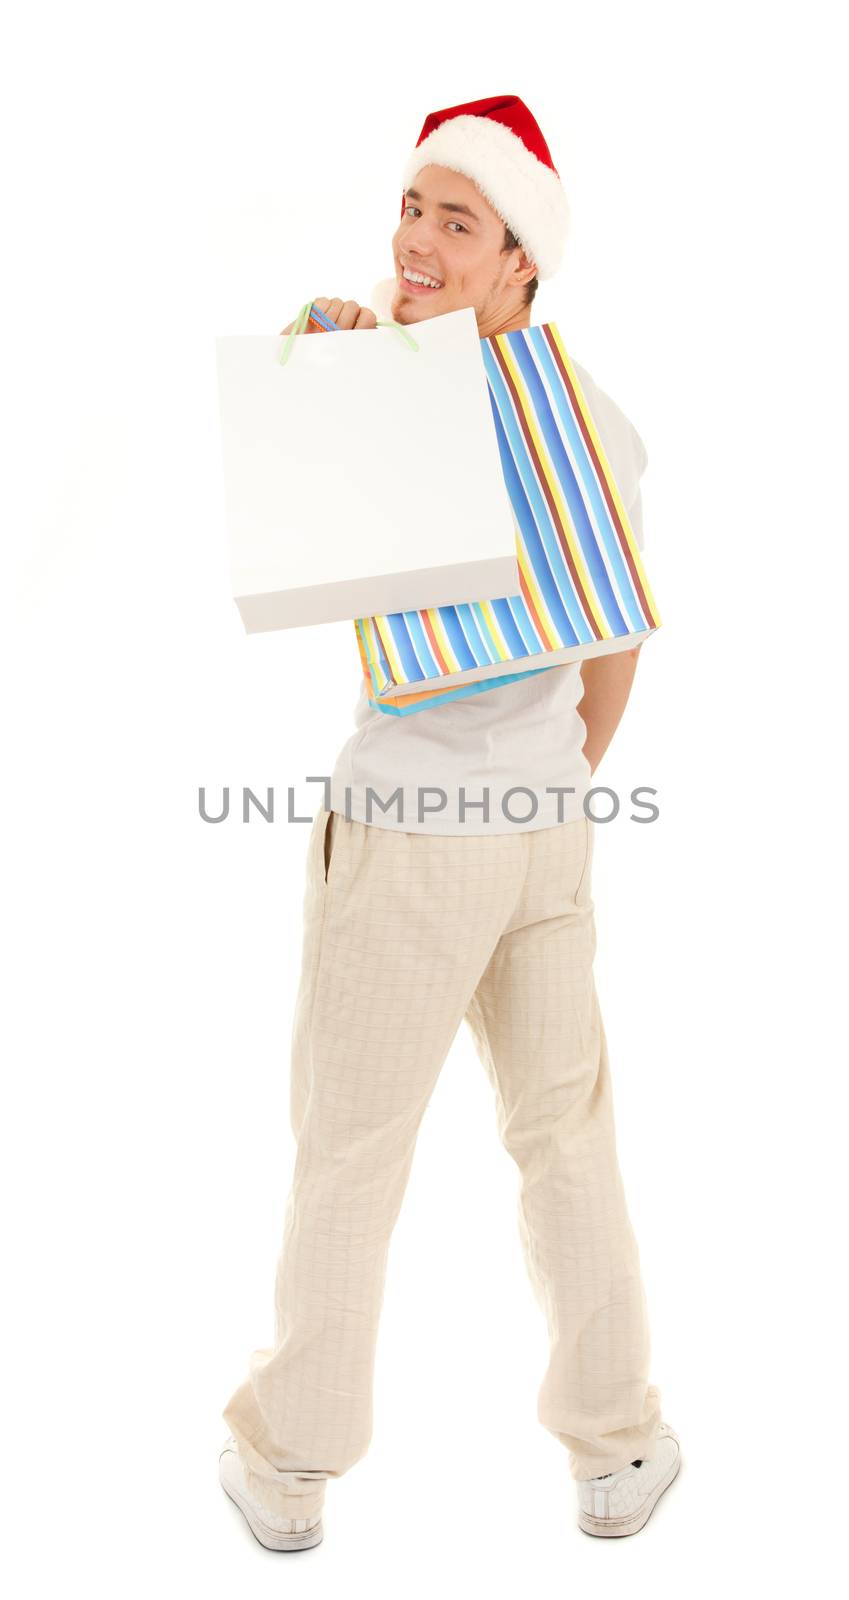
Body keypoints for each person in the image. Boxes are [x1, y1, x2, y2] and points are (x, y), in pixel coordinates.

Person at [218, 94, 681, 1551]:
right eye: (412, 207)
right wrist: (554, 773)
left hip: (415, 827)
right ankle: (619, 1449)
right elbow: (615, 642)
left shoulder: (378, 383)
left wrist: (352, 352)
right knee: (563, 1134)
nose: (417, 238)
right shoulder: (590, 416)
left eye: (456, 221)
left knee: (351, 1146)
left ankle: (288, 1467)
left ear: (516, 260)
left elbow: (300, 505)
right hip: (546, 827)